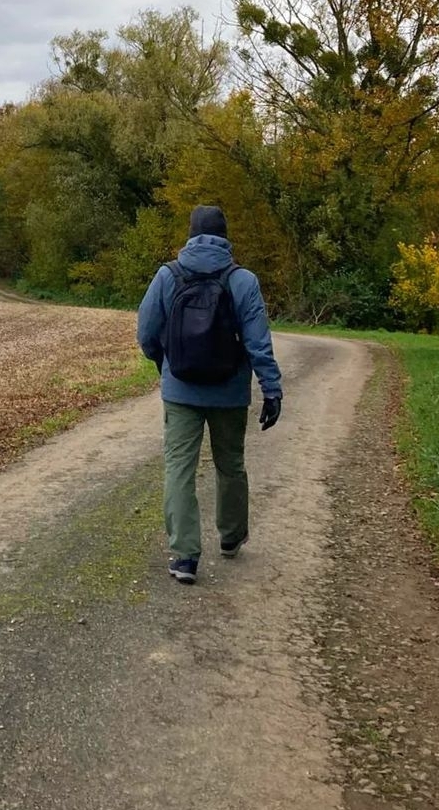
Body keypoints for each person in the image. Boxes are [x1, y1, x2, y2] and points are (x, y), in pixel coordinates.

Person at [136, 205, 283, 585]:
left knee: (179, 469)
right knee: (230, 464)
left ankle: (185, 557)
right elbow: (258, 343)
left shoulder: (168, 275)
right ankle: (231, 538)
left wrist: (165, 365)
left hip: (180, 391)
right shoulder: (244, 280)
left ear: (191, 233)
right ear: (225, 235)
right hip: (230, 392)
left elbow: (146, 334)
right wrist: (271, 389)